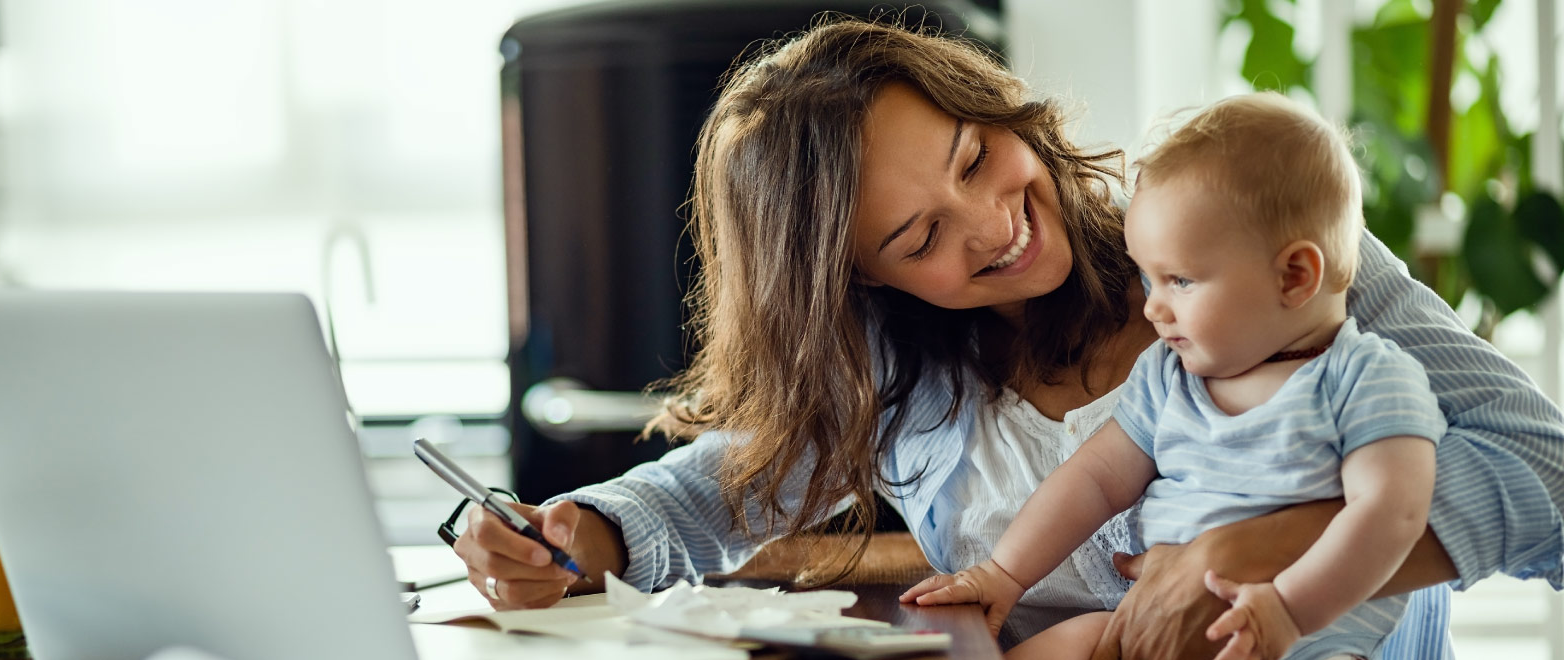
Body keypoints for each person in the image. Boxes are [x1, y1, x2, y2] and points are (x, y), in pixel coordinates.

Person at [452, 18, 1564, 659]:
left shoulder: (1251, 244)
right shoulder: (898, 366)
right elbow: (711, 490)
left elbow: (1550, 477)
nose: (993, 225)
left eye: (976, 156)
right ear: (858, 279)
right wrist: (573, 534)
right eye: (920, 233)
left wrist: (1251, 552)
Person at [900, 93, 1443, 660]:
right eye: (1149, 278)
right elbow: (1095, 480)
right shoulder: (1170, 375)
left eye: (1179, 281)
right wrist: (1003, 574)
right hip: (1148, 627)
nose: (1153, 308)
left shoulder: (1368, 379)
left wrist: (1288, 608)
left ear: (1294, 276)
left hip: (1302, 639)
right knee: (1066, 645)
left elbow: (1394, 515)